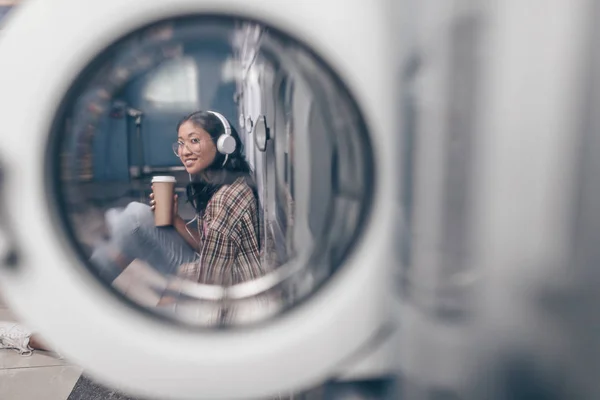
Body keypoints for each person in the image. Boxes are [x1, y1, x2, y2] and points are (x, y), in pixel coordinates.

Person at [90, 110, 267, 289]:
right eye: (181, 144)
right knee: (121, 218)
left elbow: (211, 279)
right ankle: (98, 270)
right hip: (211, 264)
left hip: (223, 280)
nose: (184, 152)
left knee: (132, 218)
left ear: (224, 144)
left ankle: (92, 277)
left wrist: (170, 297)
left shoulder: (225, 199)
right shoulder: (225, 183)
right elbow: (208, 245)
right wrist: (175, 219)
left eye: (194, 141)